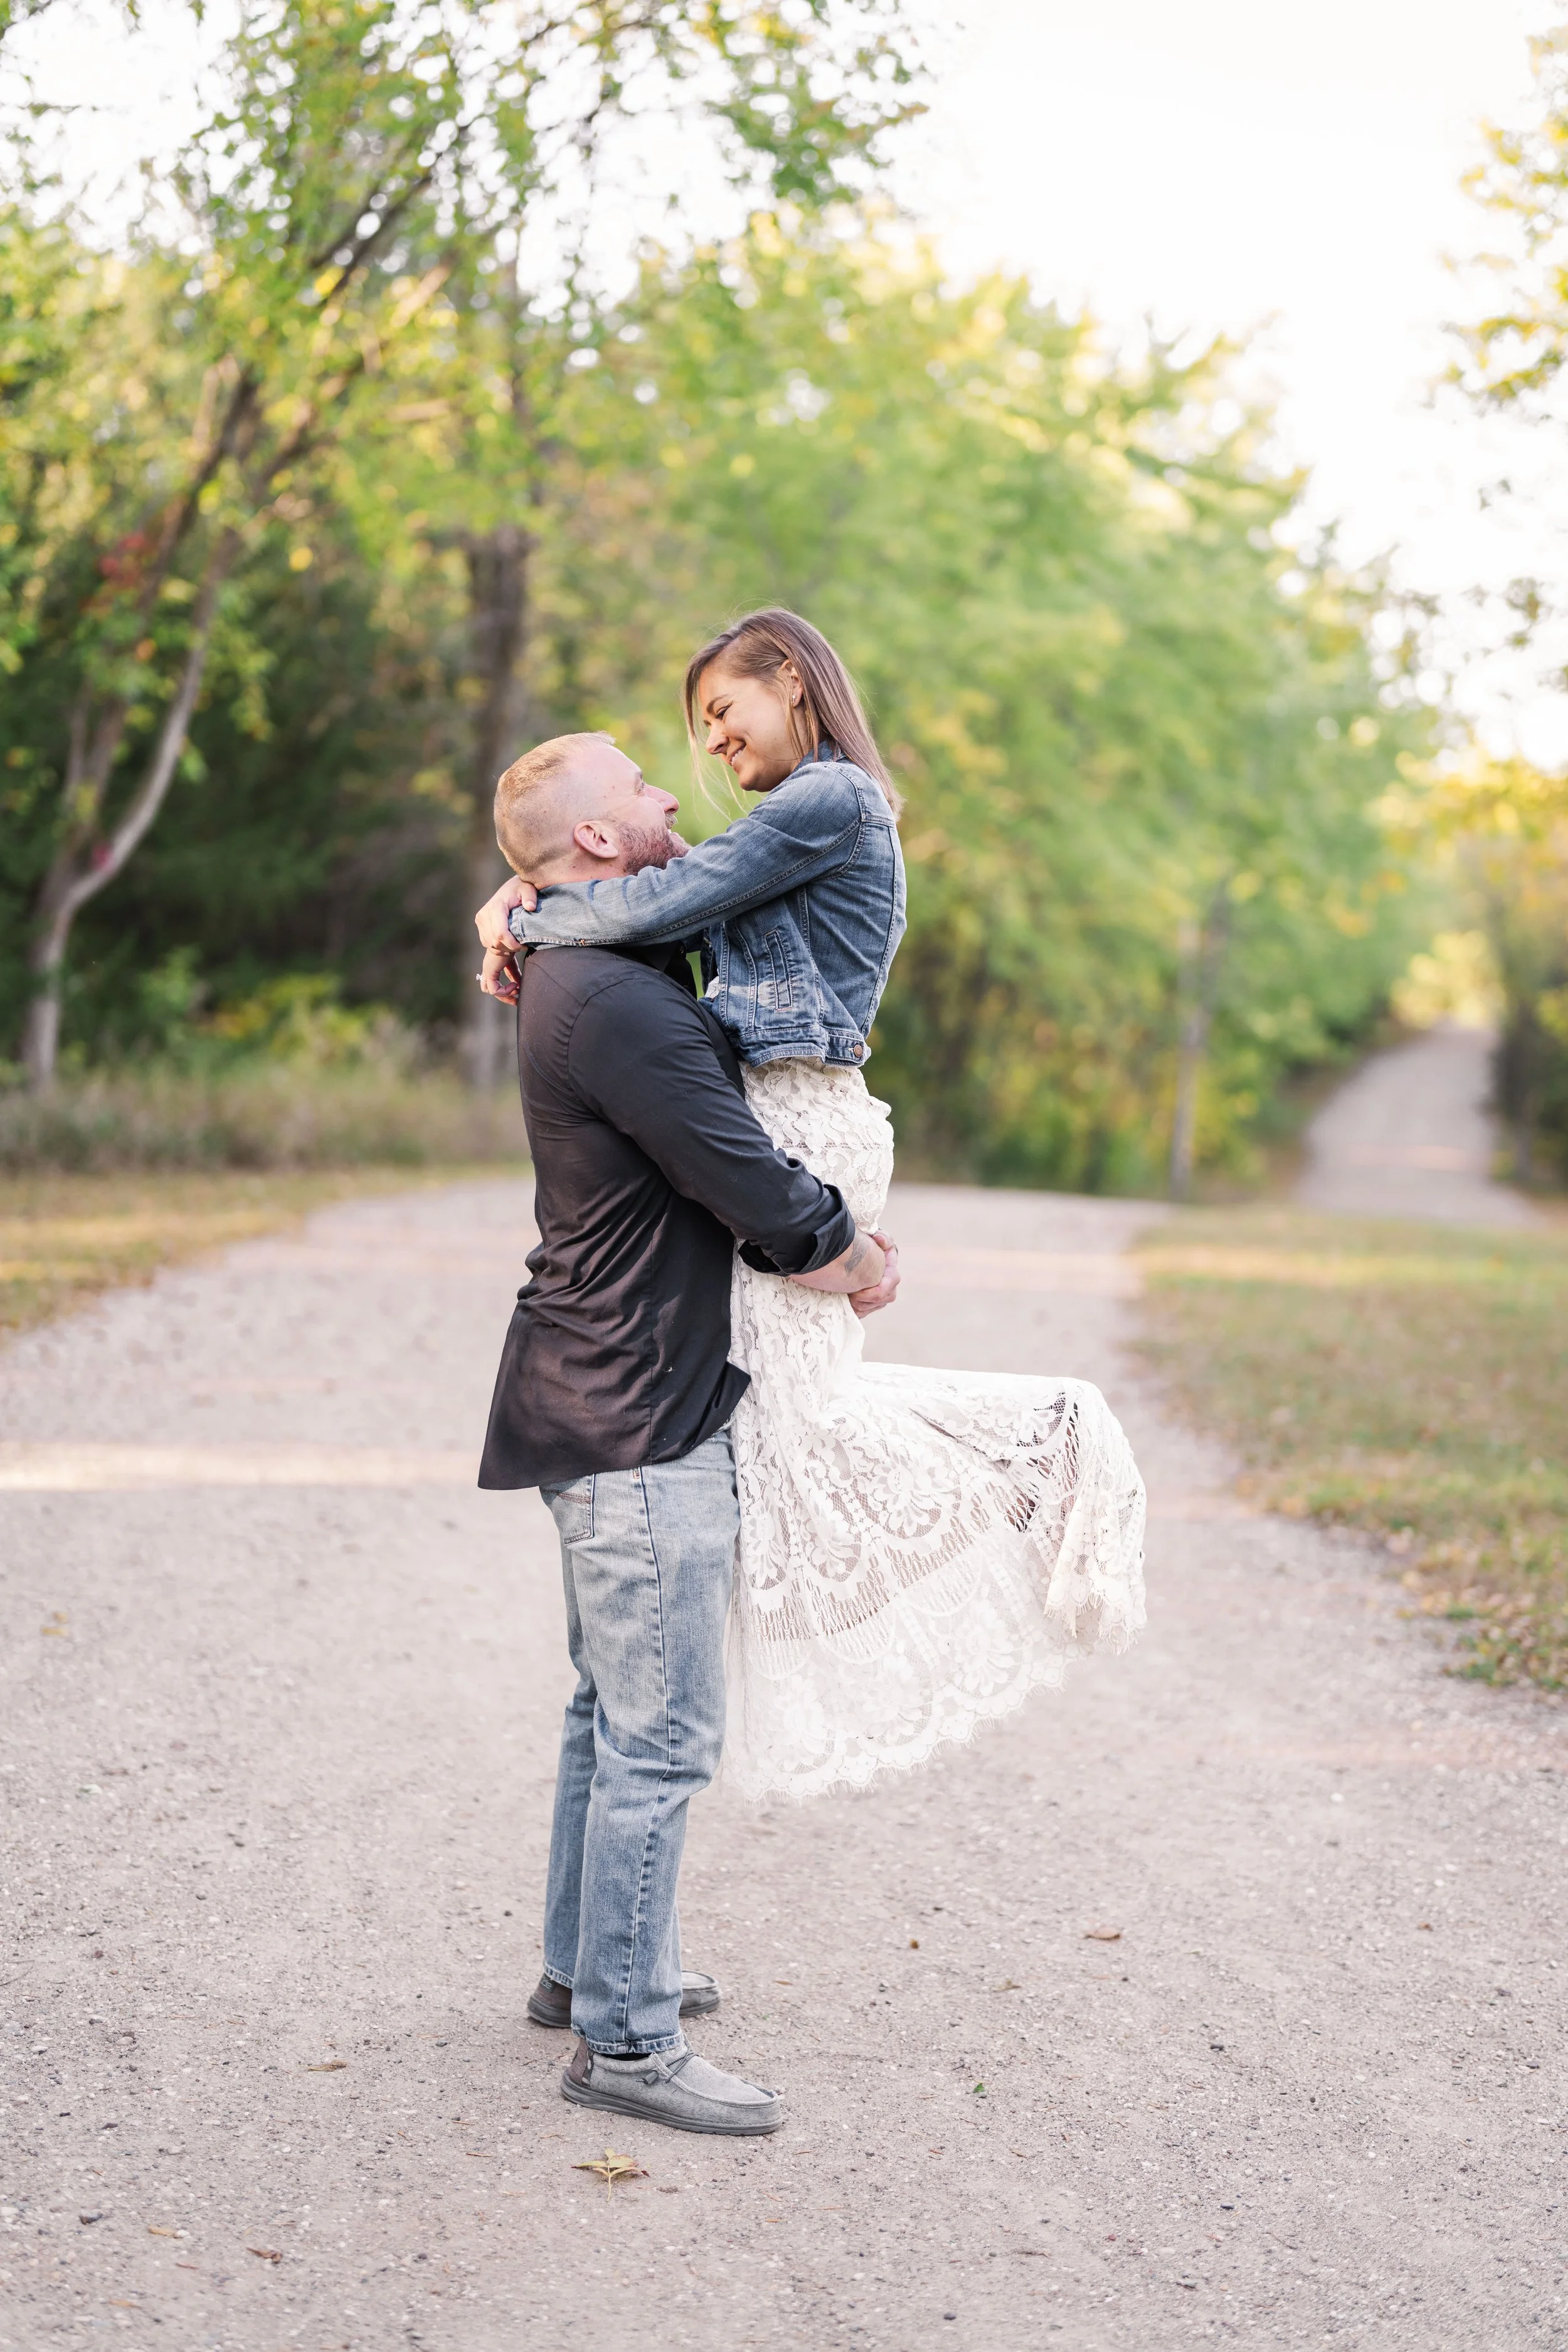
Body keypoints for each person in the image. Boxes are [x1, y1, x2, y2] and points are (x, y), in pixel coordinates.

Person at [477, 609, 1147, 1806]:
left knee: (797, 1428)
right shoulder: (793, 822)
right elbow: (647, 875)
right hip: (791, 1104)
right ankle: (680, 1624)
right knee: (783, 1420)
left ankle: (1047, 1446)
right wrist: (522, 888)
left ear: (791, 678)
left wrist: (531, 914)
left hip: (803, 1112)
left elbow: (655, 898)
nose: (710, 747)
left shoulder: (833, 799)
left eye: (721, 711)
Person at [477, 728, 899, 2135]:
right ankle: (627, 2043)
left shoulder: (594, 965)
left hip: (593, 1384)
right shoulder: (618, 1001)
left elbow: (692, 909)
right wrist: (849, 1252)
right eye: (643, 788)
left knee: (608, 1710)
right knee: (659, 1737)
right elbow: (744, 1178)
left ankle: (582, 1967)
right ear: (601, 840)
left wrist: (510, 901)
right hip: (636, 1406)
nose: (675, 794)